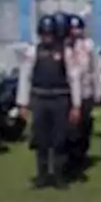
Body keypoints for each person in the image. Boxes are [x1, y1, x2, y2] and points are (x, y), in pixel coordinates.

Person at [17, 14, 83, 189]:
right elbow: (25, 77)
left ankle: (59, 176)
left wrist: (76, 105)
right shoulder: (33, 51)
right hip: (40, 99)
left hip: (60, 99)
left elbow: (74, 78)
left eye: (50, 33)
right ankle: (42, 176)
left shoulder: (65, 52)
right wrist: (22, 103)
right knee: (41, 140)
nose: (46, 37)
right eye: (44, 33)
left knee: (59, 140)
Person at [64, 14, 100, 173]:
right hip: (67, 92)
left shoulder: (88, 45)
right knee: (70, 128)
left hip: (86, 91)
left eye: (78, 28)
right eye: (72, 28)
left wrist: (98, 91)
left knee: (84, 126)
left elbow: (95, 70)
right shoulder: (63, 46)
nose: (75, 32)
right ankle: (69, 157)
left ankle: (81, 156)